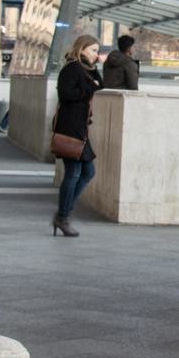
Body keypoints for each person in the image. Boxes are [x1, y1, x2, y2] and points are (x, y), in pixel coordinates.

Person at [52, 34, 103, 237]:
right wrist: (89, 86)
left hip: (80, 128)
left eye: (97, 51)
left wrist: (94, 71)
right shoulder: (71, 68)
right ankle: (63, 217)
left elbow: (101, 84)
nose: (96, 55)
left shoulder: (86, 69)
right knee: (74, 173)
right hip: (70, 128)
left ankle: (63, 213)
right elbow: (66, 95)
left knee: (88, 172)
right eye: (93, 50)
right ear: (81, 49)